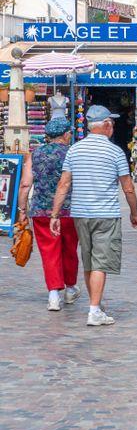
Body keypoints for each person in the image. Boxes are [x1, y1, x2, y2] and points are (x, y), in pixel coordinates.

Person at [49, 106, 137, 327]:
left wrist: (55, 214)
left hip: (80, 213)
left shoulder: (74, 150)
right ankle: (94, 310)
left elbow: (64, 184)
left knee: (89, 261)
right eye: (112, 123)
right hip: (106, 215)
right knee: (101, 262)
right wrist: (134, 213)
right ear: (106, 125)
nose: (114, 127)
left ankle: (95, 305)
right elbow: (128, 187)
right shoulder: (115, 152)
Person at [16, 117, 79, 312]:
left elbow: (26, 185)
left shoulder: (35, 155)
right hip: (69, 210)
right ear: (65, 134)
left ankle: (53, 294)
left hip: (42, 211)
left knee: (49, 252)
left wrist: (22, 210)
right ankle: (70, 288)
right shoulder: (72, 153)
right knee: (69, 249)